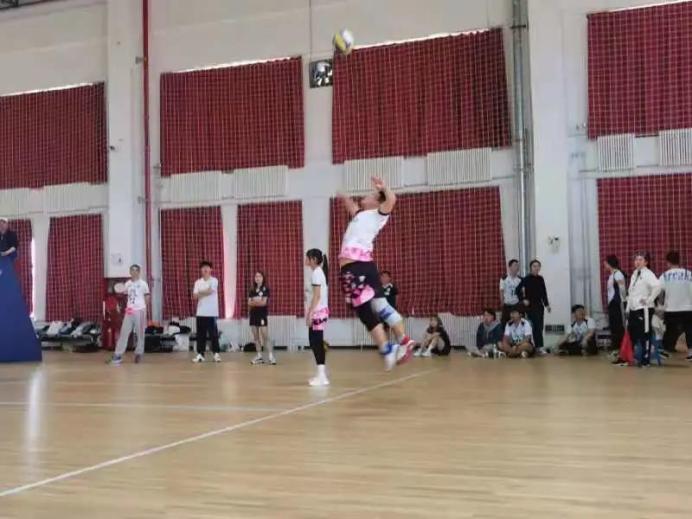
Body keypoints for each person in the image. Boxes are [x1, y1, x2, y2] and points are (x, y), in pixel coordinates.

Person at [338, 176, 415, 370]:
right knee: (379, 305)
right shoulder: (361, 215)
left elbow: (392, 200)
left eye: (371, 195)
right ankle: (403, 341)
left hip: (356, 267)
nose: (366, 196)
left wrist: (384, 187)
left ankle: (387, 348)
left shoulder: (378, 214)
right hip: (363, 267)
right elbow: (351, 206)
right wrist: (342, 194)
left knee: (365, 312)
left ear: (377, 202)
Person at [108, 264, 150, 365]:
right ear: (130, 272)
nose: (134, 272)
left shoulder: (143, 284)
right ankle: (118, 354)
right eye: (132, 270)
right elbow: (125, 296)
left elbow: (147, 297)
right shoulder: (127, 284)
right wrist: (127, 307)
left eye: (136, 270)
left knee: (140, 333)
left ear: (139, 272)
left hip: (140, 311)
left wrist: (142, 308)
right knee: (124, 332)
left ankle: (139, 353)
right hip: (129, 311)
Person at [625, 252, 661, 367]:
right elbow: (631, 293)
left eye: (640, 260)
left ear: (646, 262)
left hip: (643, 309)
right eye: (636, 259)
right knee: (632, 334)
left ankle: (645, 360)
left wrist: (649, 300)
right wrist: (628, 308)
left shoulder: (648, 274)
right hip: (633, 309)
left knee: (644, 334)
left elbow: (658, 286)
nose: (637, 262)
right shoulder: (635, 274)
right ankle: (632, 357)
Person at [658, 251, 692, 359]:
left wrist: (660, 306)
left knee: (670, 330)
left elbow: (659, 292)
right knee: (690, 331)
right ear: (679, 261)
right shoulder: (688, 274)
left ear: (668, 262)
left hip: (671, 308)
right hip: (688, 308)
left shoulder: (664, 276)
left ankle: (666, 351)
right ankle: (691, 353)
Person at [305, 249, 330, 386]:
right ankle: (321, 374)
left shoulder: (316, 273)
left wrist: (310, 314)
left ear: (313, 259)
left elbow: (317, 296)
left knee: (316, 342)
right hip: (320, 311)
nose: (306, 260)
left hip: (318, 312)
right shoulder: (318, 272)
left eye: (307, 258)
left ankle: (322, 375)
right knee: (315, 342)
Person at [516, 259, 550, 354]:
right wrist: (523, 299)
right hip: (530, 307)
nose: (536, 268)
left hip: (539, 306)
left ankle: (538, 347)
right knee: (535, 326)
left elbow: (544, 293)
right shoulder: (526, 279)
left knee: (540, 326)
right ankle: (537, 347)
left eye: (538, 266)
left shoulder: (540, 279)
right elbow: (517, 290)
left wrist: (547, 304)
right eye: (534, 266)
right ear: (531, 268)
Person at [192, 261, 221, 363]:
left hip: (212, 312)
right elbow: (195, 296)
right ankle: (201, 354)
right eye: (203, 267)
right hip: (200, 312)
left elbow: (210, 291)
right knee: (201, 335)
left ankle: (216, 354)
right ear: (200, 270)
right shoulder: (197, 282)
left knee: (213, 334)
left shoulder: (214, 280)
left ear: (211, 269)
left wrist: (200, 292)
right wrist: (204, 292)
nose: (205, 269)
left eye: (207, 267)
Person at [248, 271, 274, 365]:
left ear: (263, 278)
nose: (257, 278)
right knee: (256, 337)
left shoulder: (265, 289)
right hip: (253, 315)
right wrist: (258, 301)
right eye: (256, 276)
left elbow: (264, 303)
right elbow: (249, 303)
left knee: (265, 335)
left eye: (259, 276)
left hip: (262, 315)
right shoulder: (252, 290)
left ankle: (271, 356)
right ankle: (259, 356)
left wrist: (254, 301)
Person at [604, 255, 626, 352]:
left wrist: (623, 300)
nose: (604, 266)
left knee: (618, 326)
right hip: (612, 303)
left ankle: (620, 347)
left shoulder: (618, 274)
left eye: (605, 264)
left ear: (610, 264)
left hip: (617, 303)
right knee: (613, 326)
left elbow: (622, 288)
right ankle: (616, 346)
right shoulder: (611, 275)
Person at [499, 259, 522, 325]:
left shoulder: (520, 279)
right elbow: (501, 291)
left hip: (517, 305)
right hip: (507, 305)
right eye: (515, 265)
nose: (517, 267)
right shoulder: (504, 278)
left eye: (518, 265)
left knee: (517, 324)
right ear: (510, 267)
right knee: (504, 324)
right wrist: (502, 302)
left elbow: (523, 292)